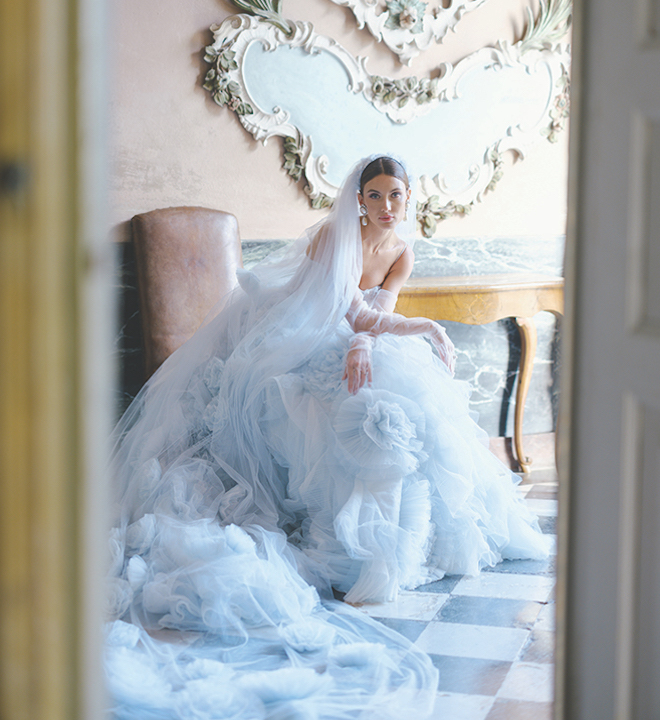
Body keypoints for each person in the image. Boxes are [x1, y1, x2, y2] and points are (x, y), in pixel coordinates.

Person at [105, 155, 550, 719]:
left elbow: (376, 312)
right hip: (298, 330)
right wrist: (410, 328)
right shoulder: (330, 239)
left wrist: (374, 338)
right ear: (358, 201)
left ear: (409, 197)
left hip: (356, 332)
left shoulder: (402, 251)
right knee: (332, 404)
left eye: (396, 196)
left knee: (405, 401)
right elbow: (342, 311)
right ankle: (337, 544)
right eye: (375, 197)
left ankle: (399, 542)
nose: (386, 208)